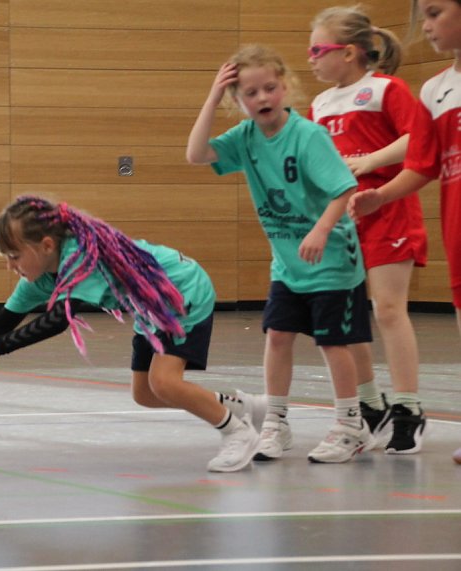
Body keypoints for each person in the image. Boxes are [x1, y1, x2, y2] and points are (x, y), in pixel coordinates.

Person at [0, 195, 267, 473]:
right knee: (145, 394)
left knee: (165, 382)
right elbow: (3, 322)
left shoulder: (80, 258)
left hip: (180, 291)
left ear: (46, 245)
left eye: (14, 256)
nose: (10, 266)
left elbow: (59, 320)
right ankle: (242, 406)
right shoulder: (39, 277)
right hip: (148, 306)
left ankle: (237, 432)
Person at [186, 44, 375, 463]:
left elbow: (344, 187)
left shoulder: (308, 135)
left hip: (331, 261)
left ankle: (350, 425)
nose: (263, 98)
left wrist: (321, 231)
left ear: (285, 87)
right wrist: (213, 98)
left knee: (332, 343)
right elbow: (196, 154)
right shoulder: (245, 138)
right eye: (250, 94)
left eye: (270, 88)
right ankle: (275, 422)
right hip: (288, 265)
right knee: (278, 337)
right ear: (239, 102)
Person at [308, 6, 428, 454]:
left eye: (319, 49)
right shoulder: (319, 104)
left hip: (388, 208)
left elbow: (420, 138)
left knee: (389, 309)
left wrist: (370, 161)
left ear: (352, 52)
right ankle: (369, 404)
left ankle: (409, 408)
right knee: (348, 316)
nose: (311, 59)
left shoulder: (384, 89)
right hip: (342, 221)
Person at [348, 0, 461, 463]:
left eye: (435, 13)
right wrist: (381, 194)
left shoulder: (390, 90)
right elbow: (424, 164)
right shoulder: (436, 90)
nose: (426, 26)